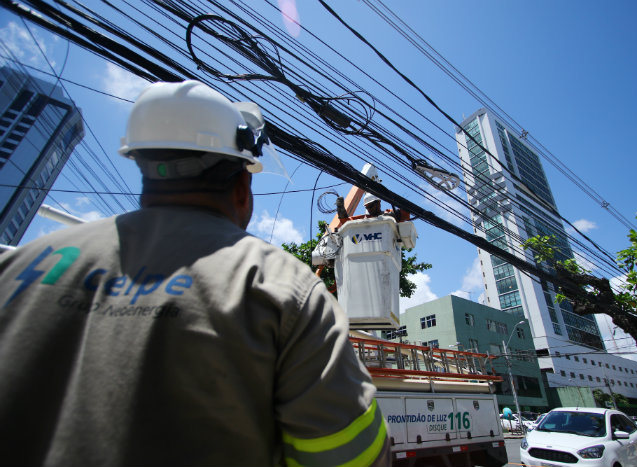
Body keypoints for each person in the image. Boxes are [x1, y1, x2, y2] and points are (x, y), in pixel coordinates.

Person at [0, 80, 390, 466]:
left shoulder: (20, 266)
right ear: (242, 185)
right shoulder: (278, 286)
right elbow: (354, 457)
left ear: (145, 167)